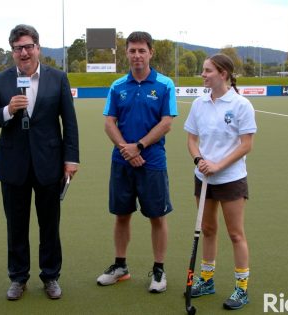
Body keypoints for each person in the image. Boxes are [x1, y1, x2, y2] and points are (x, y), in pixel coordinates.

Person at [0, 24, 79, 301]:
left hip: (49, 163)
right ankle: (18, 277)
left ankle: (50, 276)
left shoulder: (57, 78)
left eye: (27, 47)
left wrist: (71, 158)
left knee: (50, 225)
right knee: (16, 225)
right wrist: (8, 110)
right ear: (12, 52)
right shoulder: (0, 80)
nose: (23, 53)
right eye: (17, 48)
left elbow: (69, 122)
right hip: (13, 165)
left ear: (38, 48)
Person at [97, 31, 177, 293]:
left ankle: (158, 271)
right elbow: (109, 122)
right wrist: (126, 150)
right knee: (122, 216)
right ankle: (120, 266)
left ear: (150, 53)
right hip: (122, 162)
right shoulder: (117, 86)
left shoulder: (165, 84)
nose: (137, 55)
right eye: (132, 50)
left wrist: (139, 146)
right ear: (127, 54)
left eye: (142, 50)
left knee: (157, 217)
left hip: (152, 162)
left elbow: (167, 123)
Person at [183, 53, 257, 310]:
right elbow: (192, 140)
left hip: (231, 178)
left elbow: (246, 145)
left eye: (208, 71)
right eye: (203, 70)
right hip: (203, 177)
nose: (203, 74)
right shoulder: (198, 103)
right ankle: (206, 280)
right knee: (208, 230)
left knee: (236, 234)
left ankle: (242, 288)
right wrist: (199, 161)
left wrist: (218, 165)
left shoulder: (241, 105)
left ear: (223, 74)